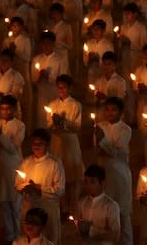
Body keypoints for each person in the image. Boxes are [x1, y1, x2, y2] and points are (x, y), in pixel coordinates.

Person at [15, 129, 66, 245]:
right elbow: (17, 184)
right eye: (34, 143)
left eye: (40, 143)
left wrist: (39, 188)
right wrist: (23, 188)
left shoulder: (55, 163)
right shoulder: (26, 162)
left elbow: (60, 190)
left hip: (48, 210)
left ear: (47, 145)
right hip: (29, 209)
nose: (36, 146)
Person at [95, 97, 132, 244]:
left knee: (123, 212)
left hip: (120, 174)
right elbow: (97, 151)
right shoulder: (99, 126)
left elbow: (116, 152)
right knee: (105, 212)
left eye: (114, 109)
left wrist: (103, 141)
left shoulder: (125, 129)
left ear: (121, 112)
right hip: (104, 173)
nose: (109, 113)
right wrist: (103, 146)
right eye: (107, 109)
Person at [45, 75, 83, 217]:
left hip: (70, 142)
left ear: (70, 88)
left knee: (72, 176)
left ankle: (73, 208)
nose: (61, 90)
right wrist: (54, 123)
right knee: (59, 175)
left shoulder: (75, 105)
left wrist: (64, 122)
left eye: (64, 87)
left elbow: (77, 127)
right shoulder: (52, 104)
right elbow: (48, 125)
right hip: (57, 142)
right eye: (59, 87)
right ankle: (62, 208)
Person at [0, 95, 25, 243]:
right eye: (2, 109)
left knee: (15, 202)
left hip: (13, 166)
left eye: (8, 109)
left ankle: (18, 234)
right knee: (4, 201)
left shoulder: (19, 126)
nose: (5, 112)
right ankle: (9, 233)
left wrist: (0, 135)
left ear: (14, 110)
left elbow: (12, 148)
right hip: (0, 166)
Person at [32, 31, 70, 128]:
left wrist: (49, 77)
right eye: (43, 43)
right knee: (42, 117)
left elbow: (63, 78)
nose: (46, 46)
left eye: (48, 43)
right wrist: (40, 76)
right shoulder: (36, 59)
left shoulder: (60, 59)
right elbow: (33, 79)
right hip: (42, 92)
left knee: (54, 115)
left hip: (55, 91)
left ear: (53, 44)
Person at [77, 165, 121, 244]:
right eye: (86, 182)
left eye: (92, 182)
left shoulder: (111, 206)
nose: (88, 186)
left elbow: (115, 235)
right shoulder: (82, 203)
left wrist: (92, 231)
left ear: (102, 183)